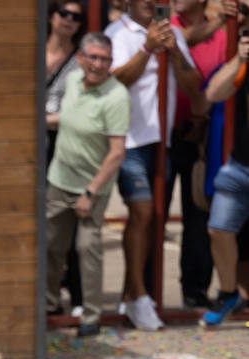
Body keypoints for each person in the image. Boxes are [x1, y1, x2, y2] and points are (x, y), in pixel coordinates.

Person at [106, 0, 202, 331]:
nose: (151, 1)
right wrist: (147, 48)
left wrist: (174, 53)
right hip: (128, 141)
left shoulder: (173, 32)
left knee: (152, 221)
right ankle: (138, 297)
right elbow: (114, 81)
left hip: (163, 141)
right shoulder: (116, 34)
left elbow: (194, 88)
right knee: (143, 212)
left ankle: (131, 295)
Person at [47, 33, 129, 338]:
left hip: (91, 187)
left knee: (87, 248)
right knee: (52, 246)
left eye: (104, 59)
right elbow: (67, 118)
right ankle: (48, 305)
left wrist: (90, 192)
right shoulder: (72, 82)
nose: (98, 64)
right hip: (59, 180)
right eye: (92, 57)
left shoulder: (116, 96)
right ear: (80, 58)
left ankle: (91, 316)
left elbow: (117, 152)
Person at [168, 0, 236, 312]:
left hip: (205, 141)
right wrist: (220, 19)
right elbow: (180, 36)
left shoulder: (225, 37)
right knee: (154, 214)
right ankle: (144, 295)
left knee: (199, 216)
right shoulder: (167, 25)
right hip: (165, 137)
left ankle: (195, 289)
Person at [198, 23, 249, 326]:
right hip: (239, 166)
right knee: (218, 229)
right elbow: (214, 93)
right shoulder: (244, 66)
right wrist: (239, 59)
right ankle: (229, 292)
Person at [45, 0, 87, 318]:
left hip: (64, 144)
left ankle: (75, 295)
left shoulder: (80, 60)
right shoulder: (34, 50)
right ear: (51, 16)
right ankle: (45, 294)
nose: (69, 20)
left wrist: (48, 120)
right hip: (31, 146)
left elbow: (78, 110)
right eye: (64, 14)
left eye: (76, 17)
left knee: (66, 224)